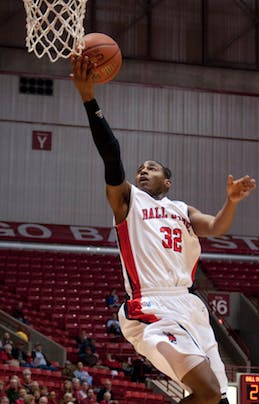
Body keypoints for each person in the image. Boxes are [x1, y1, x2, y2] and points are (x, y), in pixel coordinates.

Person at [71, 55, 256, 404]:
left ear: (167, 180)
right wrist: (88, 97)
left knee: (214, 397)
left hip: (189, 305)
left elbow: (216, 227)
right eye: (141, 168)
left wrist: (231, 201)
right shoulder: (128, 202)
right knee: (205, 389)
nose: (143, 171)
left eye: (151, 168)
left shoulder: (181, 210)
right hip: (150, 305)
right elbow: (112, 155)